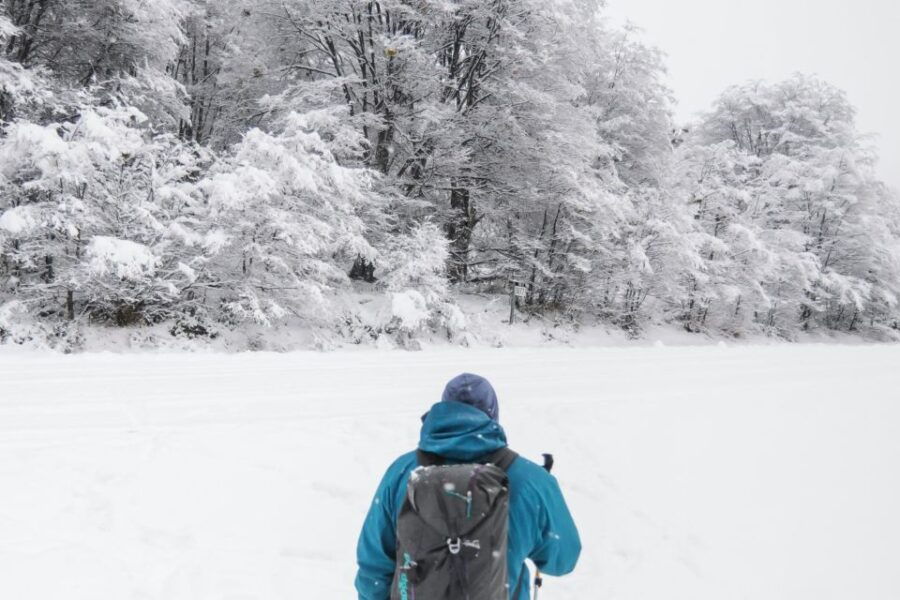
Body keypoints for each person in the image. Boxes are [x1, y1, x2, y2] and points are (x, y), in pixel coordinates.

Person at [355, 372, 581, 600]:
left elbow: (373, 566)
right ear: (493, 415)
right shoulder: (530, 480)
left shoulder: (402, 472)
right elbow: (562, 560)